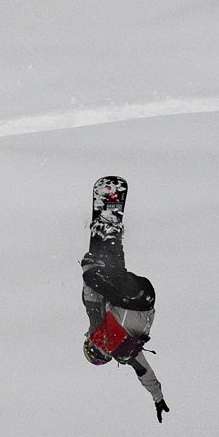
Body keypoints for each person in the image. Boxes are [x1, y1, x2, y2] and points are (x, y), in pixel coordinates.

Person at [80, 175, 169, 422]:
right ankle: (107, 231)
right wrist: (89, 272)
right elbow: (92, 301)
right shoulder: (102, 334)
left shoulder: (127, 353)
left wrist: (158, 396)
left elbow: (145, 373)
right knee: (105, 273)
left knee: (116, 274)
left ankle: (112, 235)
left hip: (147, 296)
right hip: (131, 296)